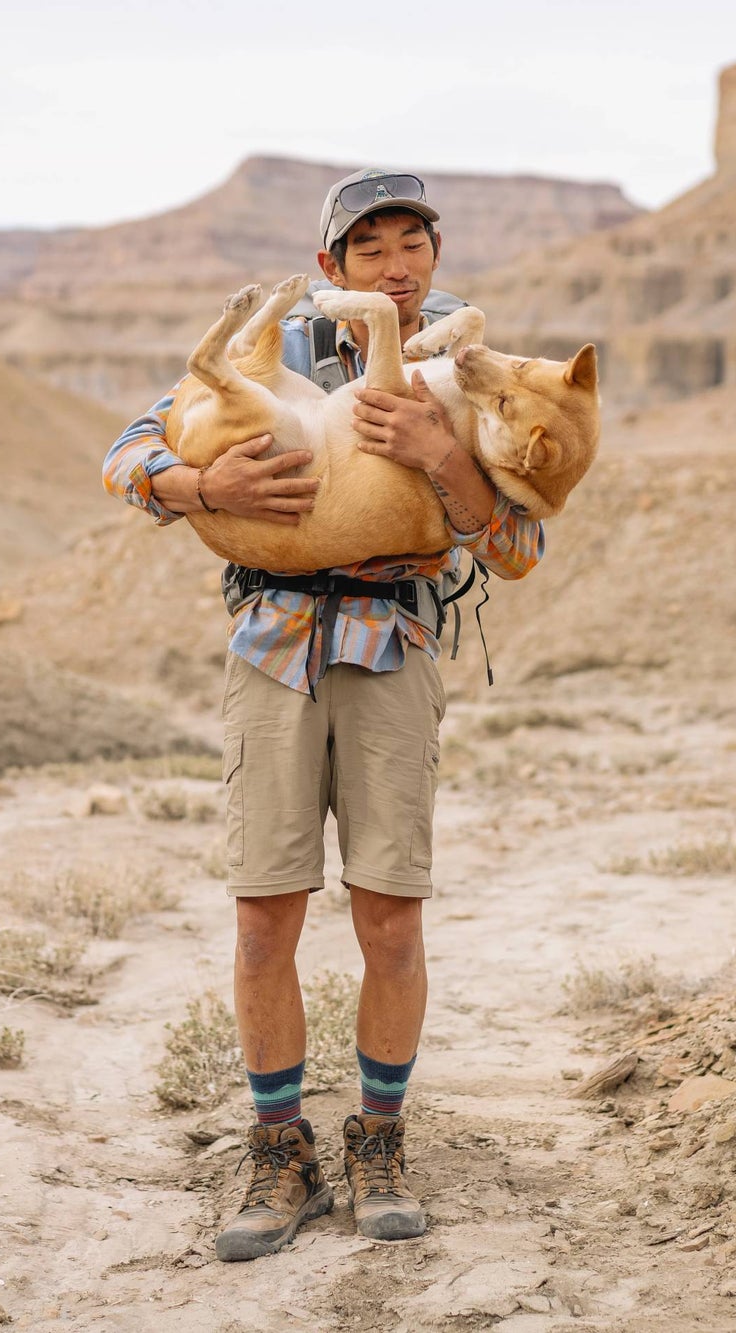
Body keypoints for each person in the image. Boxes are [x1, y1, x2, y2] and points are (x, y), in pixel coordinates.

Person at [102, 168, 545, 1262]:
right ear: (329, 268)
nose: (396, 269)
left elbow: (520, 548)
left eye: (413, 246)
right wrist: (206, 493)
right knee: (265, 915)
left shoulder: (470, 366)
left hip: (393, 645)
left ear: (435, 256)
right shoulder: (278, 348)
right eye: (371, 251)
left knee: (389, 916)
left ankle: (379, 1140)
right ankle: (277, 1148)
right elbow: (125, 454)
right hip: (273, 647)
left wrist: (440, 458)